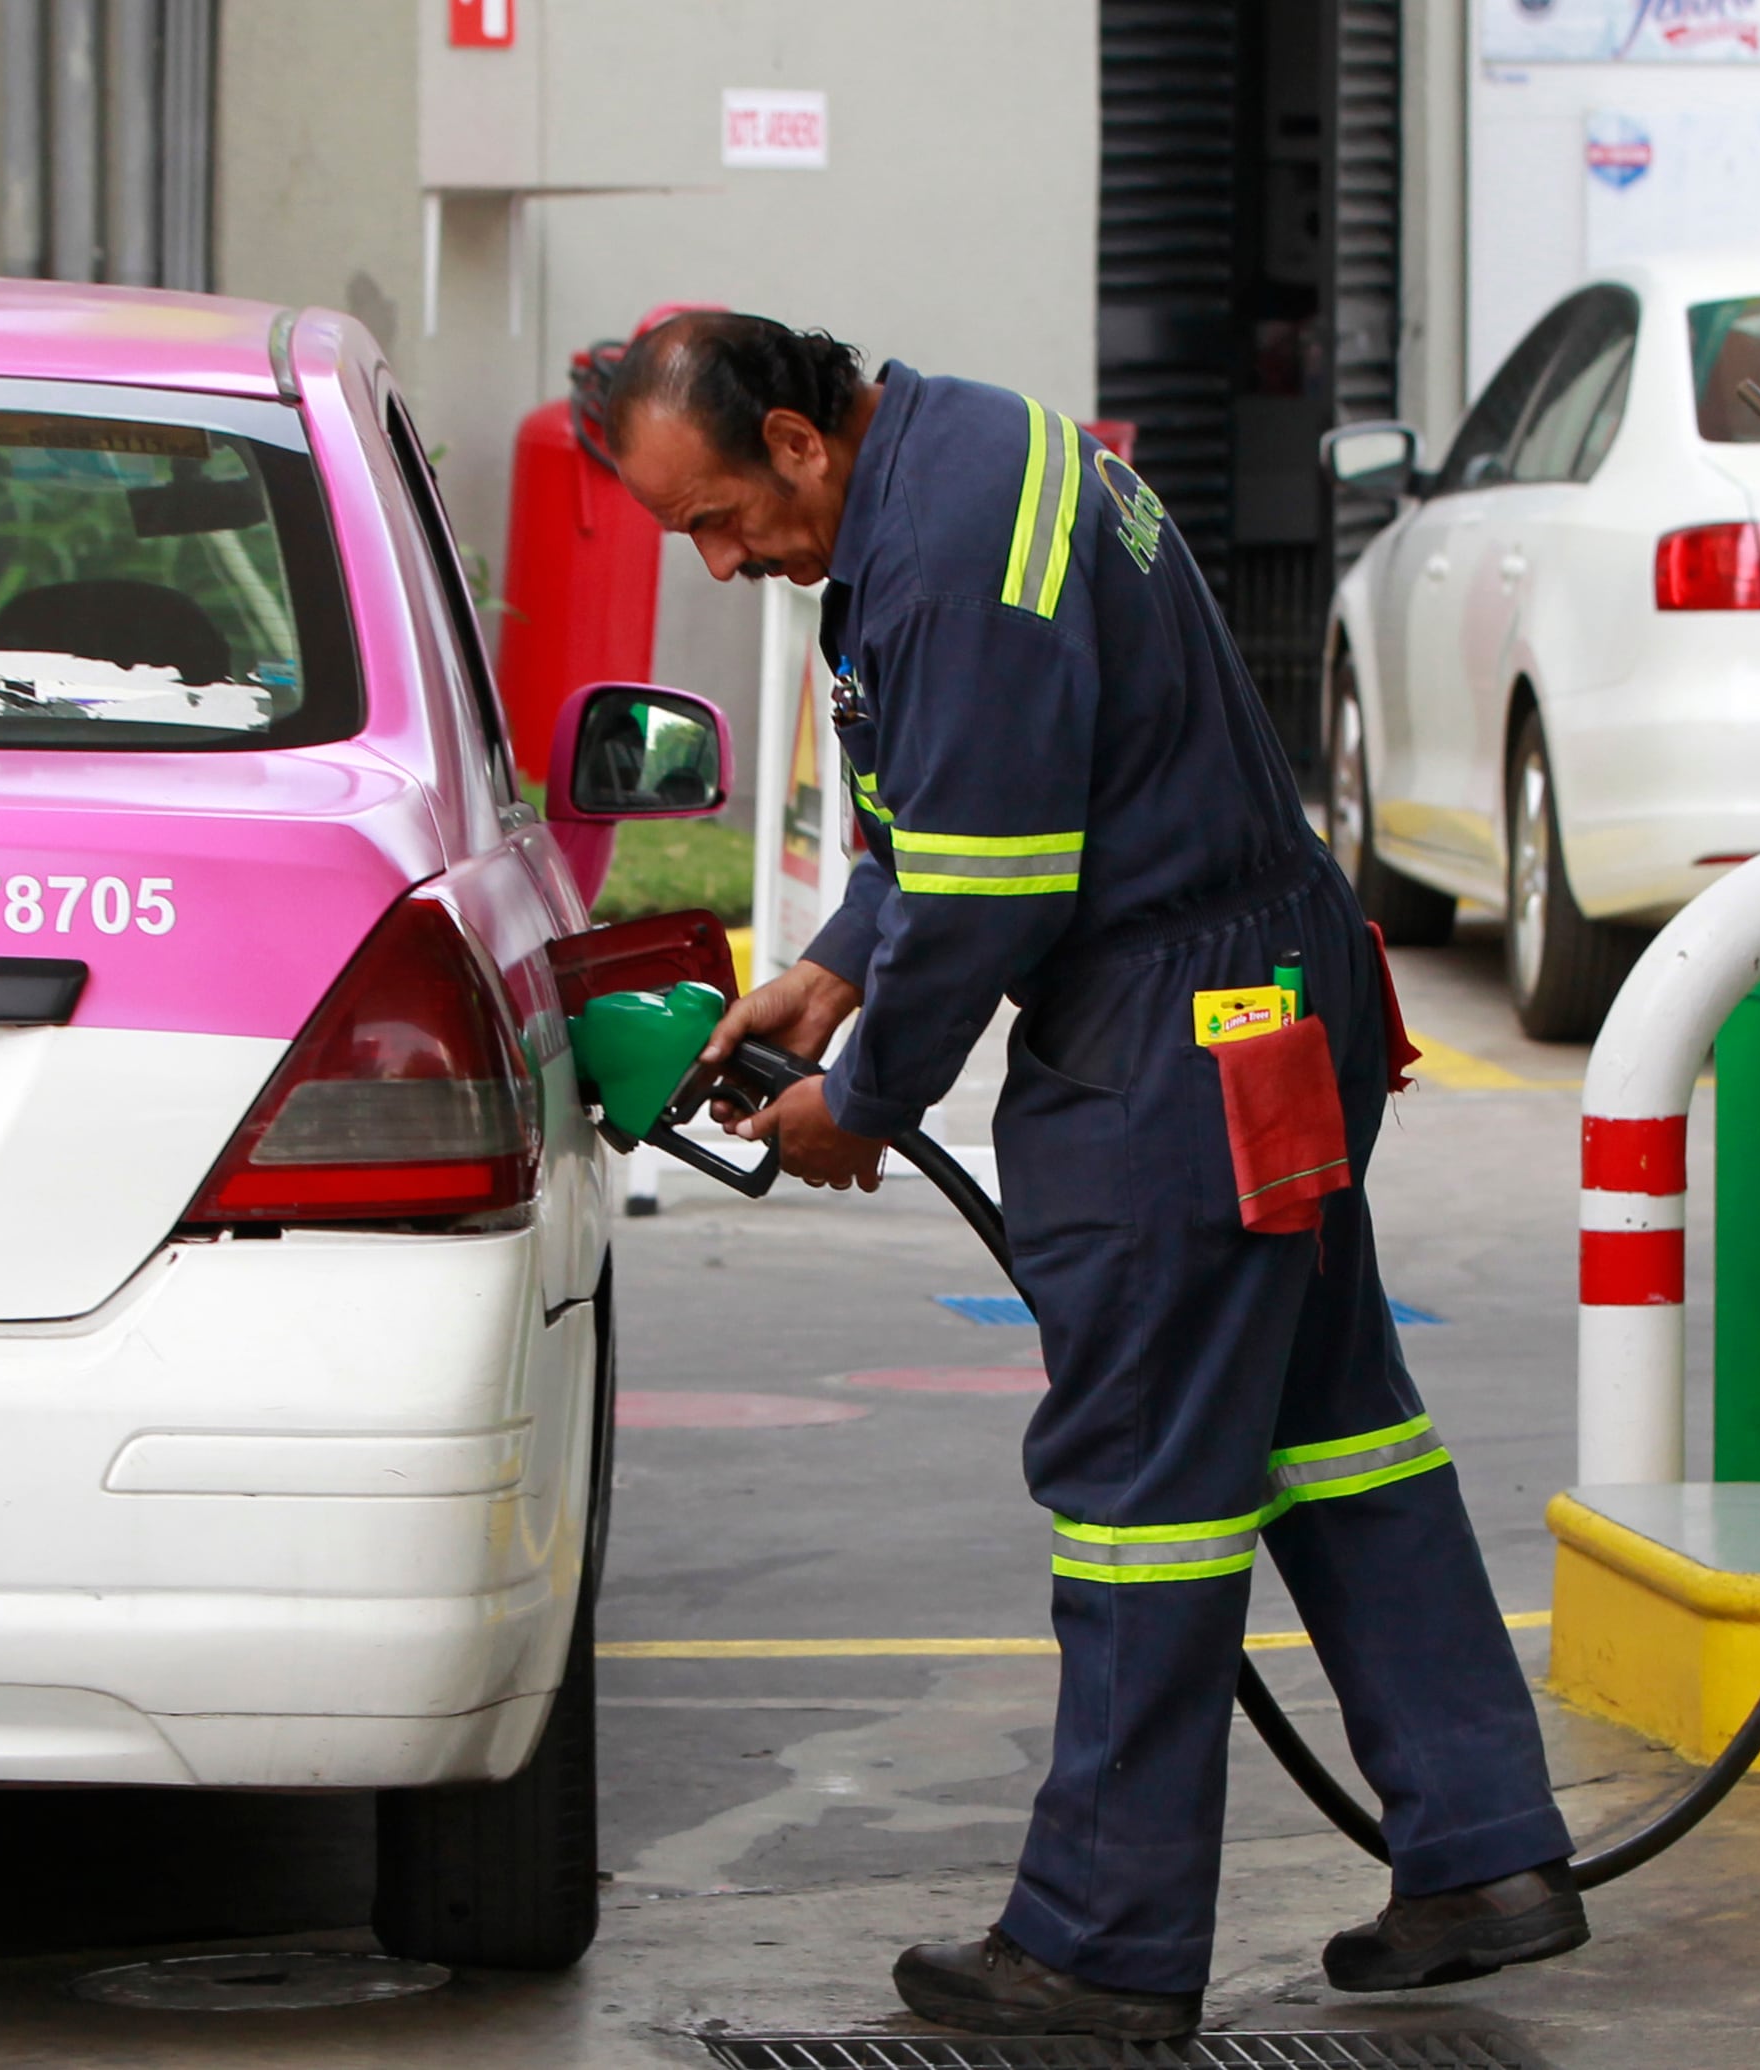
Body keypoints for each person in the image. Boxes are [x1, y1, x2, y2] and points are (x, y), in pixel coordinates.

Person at [603, 312, 1583, 2044]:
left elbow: (990, 880)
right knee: (1334, 1421)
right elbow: (960, 803)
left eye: (717, 518)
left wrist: (867, 1094)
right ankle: (1483, 1844)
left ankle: (1104, 1945)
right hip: (1268, 994)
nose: (720, 558)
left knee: (1143, 1489)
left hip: (1176, 1033)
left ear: (796, 440)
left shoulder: (946, 547)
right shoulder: (964, 450)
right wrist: (830, 970)